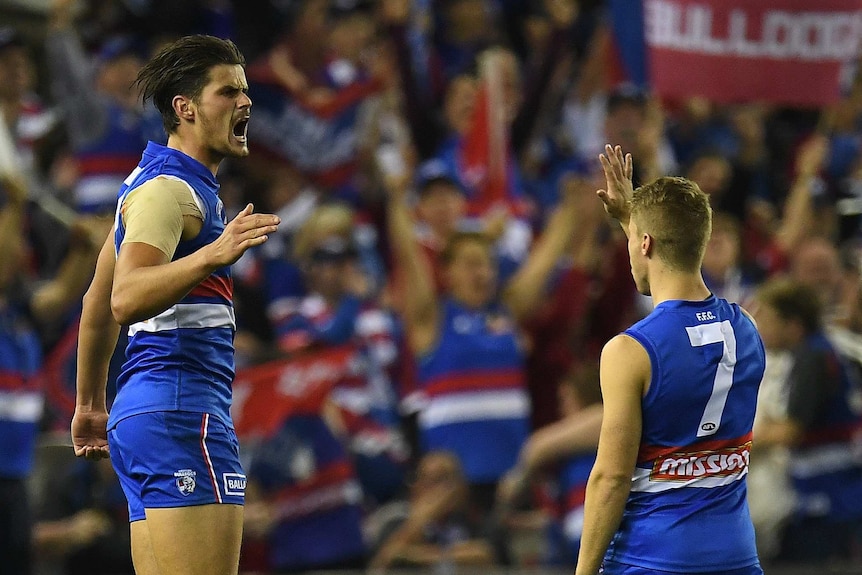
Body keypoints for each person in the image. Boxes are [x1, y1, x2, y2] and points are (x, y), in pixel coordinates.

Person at [71, 35, 280, 575]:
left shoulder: (150, 185)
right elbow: (125, 298)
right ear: (185, 109)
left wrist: (91, 403)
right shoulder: (170, 191)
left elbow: (96, 299)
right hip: (182, 411)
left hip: (145, 413)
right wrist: (213, 254)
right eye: (228, 91)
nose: (245, 102)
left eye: (246, 90)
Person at [575, 145, 765, 575]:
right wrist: (632, 218)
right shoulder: (748, 328)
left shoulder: (629, 351)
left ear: (644, 243)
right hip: (736, 559)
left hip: (652, 559)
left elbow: (611, 478)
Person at [752, 278, 862, 565]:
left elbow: (791, 431)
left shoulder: (812, 357)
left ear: (793, 324)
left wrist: (733, 447)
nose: (762, 329)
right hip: (826, 490)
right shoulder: (812, 352)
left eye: (769, 319)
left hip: (828, 495)